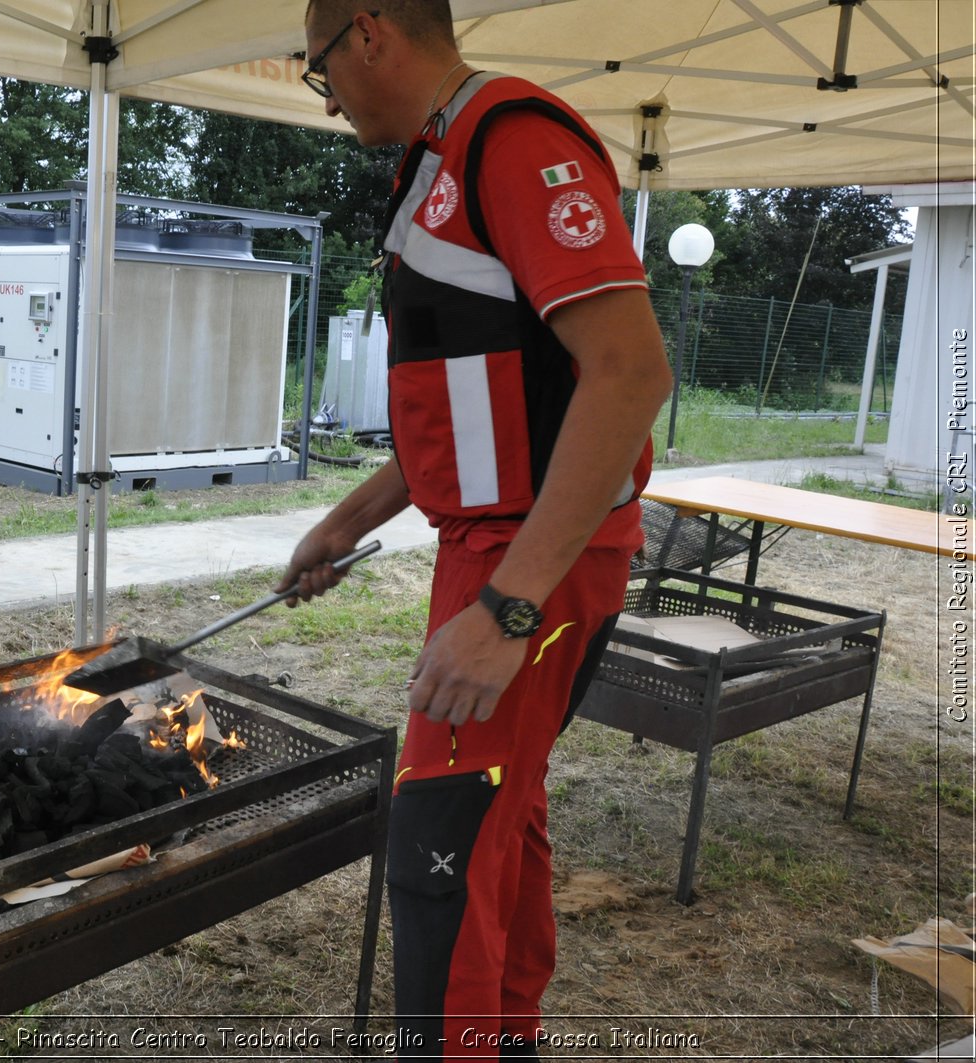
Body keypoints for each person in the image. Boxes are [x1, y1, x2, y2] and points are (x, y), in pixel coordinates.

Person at [281, 2, 675, 1058]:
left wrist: (508, 605)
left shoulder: (513, 140)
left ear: (367, 33)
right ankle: (506, 1036)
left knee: (438, 841)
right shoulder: (437, 165)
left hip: (533, 563)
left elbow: (630, 374)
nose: (326, 96)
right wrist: (344, 519)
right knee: (502, 815)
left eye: (319, 70)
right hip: (496, 553)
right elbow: (470, 412)